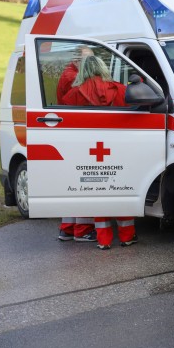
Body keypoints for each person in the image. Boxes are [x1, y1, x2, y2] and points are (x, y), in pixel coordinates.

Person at [62, 55, 137, 250]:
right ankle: (127, 236)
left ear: (83, 70)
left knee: (93, 192)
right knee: (121, 191)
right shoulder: (121, 90)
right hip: (118, 148)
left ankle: (103, 240)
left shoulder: (72, 95)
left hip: (86, 151)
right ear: (104, 68)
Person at [57, 45, 97, 242]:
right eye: (88, 59)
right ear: (77, 60)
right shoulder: (73, 77)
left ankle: (68, 228)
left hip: (71, 133)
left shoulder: (69, 73)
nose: (90, 63)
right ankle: (82, 229)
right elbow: (88, 93)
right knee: (84, 183)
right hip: (78, 132)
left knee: (72, 184)